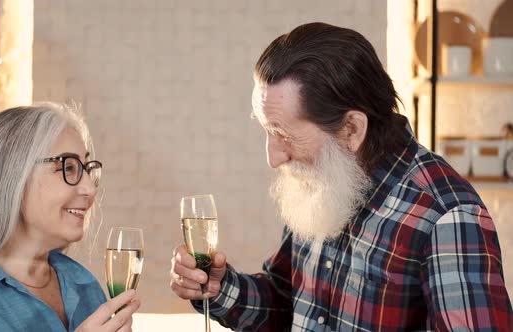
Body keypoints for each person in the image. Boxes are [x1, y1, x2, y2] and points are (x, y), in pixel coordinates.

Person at [170, 22, 513, 331]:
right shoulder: (324, 184)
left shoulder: (446, 216)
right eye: (267, 131)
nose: (273, 157)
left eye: (284, 134)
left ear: (351, 128)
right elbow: (288, 304)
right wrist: (220, 288)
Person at [0, 104, 139, 331]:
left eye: (86, 169)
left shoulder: (83, 284)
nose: (90, 189)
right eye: (69, 167)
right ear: (13, 176)